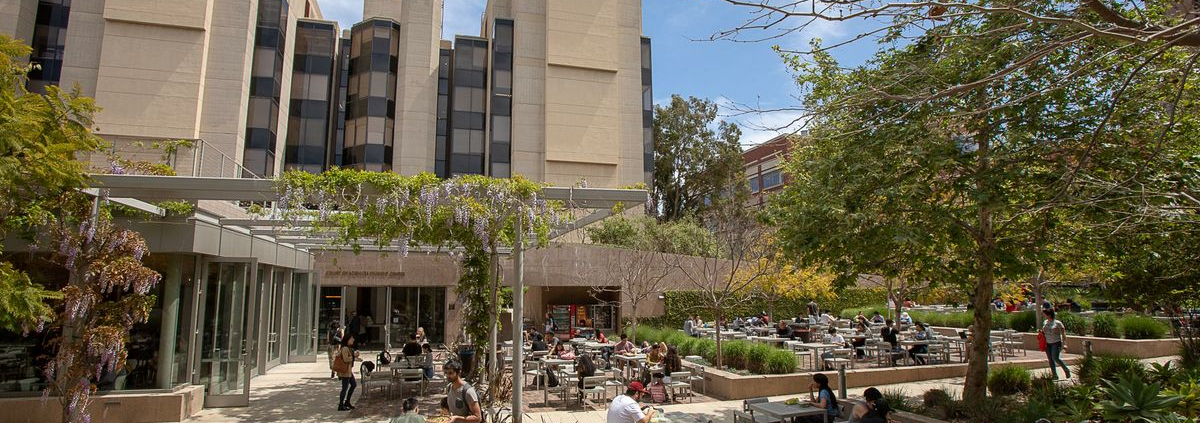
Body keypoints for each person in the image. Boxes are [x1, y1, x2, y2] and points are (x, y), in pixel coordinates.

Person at [1040, 309, 1071, 379]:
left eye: (1044, 314)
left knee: (1055, 358)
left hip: (1056, 343)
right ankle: (1055, 375)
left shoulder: (1057, 323)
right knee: (1050, 359)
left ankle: (1066, 370)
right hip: (1047, 343)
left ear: (1049, 315)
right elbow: (1044, 331)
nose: (1043, 315)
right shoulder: (1045, 322)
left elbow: (1063, 334)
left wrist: (1065, 344)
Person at [335, 334, 360, 411]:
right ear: (347, 340)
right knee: (344, 388)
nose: (353, 340)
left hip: (349, 371)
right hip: (345, 372)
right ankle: (341, 404)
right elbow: (346, 359)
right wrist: (354, 356)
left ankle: (347, 401)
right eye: (351, 339)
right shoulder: (345, 348)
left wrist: (355, 357)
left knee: (353, 384)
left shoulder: (349, 348)